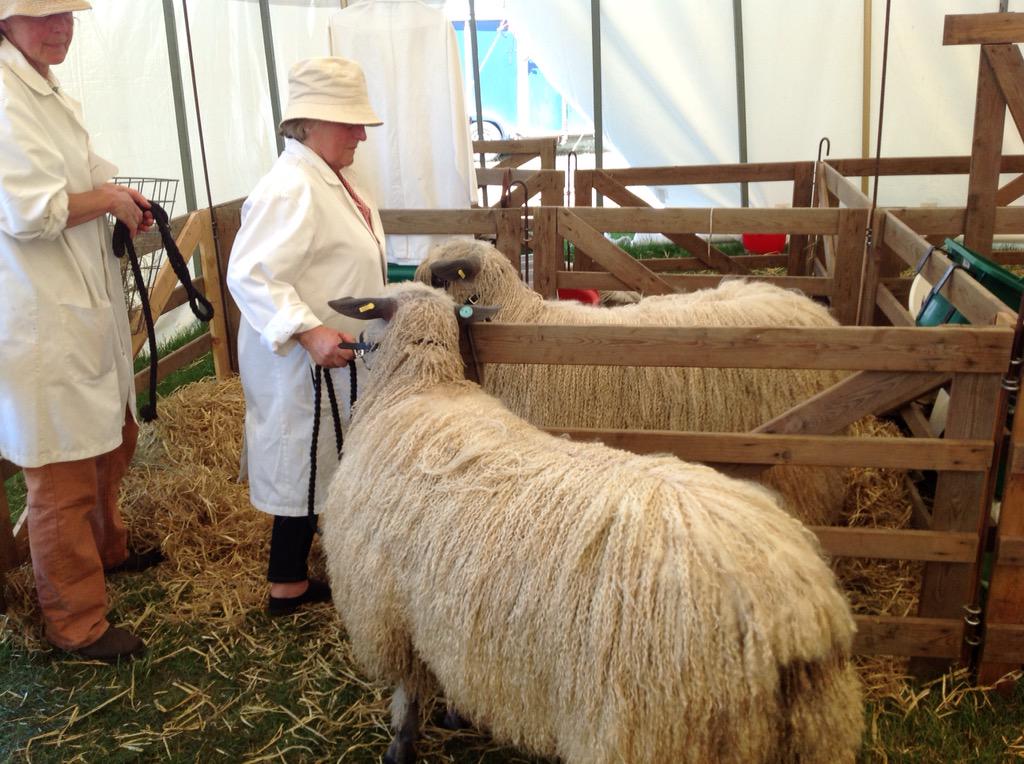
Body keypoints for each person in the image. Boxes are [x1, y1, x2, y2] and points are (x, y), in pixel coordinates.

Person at [0, 0, 162, 662]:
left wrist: (116, 191)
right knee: (61, 474)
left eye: (65, 12)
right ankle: (76, 624)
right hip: (42, 315)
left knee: (107, 440)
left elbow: (80, 169)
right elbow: (28, 210)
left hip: (77, 302)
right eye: (42, 15)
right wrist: (111, 201)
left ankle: (107, 550)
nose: (60, 25)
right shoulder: (5, 97)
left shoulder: (42, 87)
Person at [227, 57, 387, 616]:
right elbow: (249, 272)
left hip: (331, 355)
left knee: (319, 455)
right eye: (349, 123)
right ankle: (286, 586)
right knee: (304, 455)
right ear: (311, 123)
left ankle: (295, 576)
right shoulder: (292, 185)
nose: (361, 135)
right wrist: (308, 330)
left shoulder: (329, 178)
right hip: (303, 359)